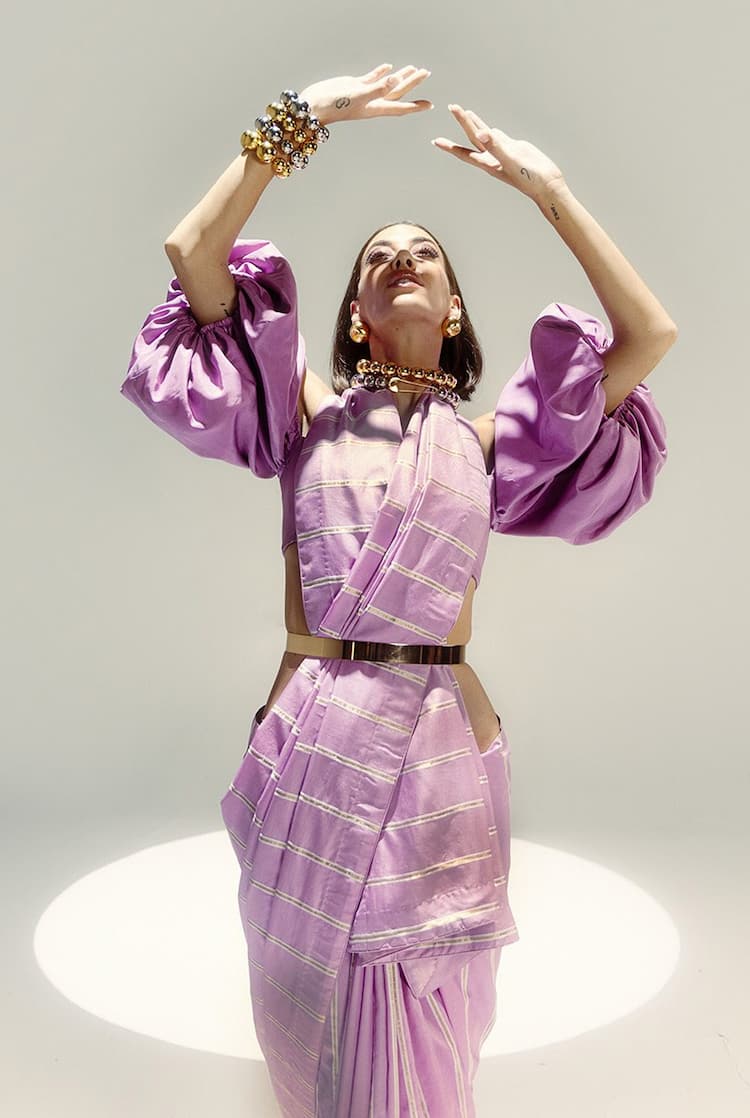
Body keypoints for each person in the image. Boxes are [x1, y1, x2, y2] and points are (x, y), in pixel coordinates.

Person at [120, 63, 676, 1118]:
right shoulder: (301, 411)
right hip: (311, 740)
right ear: (355, 316)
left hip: (440, 753)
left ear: (453, 306)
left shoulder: (493, 444)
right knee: (317, 1011)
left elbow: (648, 336)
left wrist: (549, 191)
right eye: (377, 257)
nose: (401, 259)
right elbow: (193, 254)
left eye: (423, 252)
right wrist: (304, 117)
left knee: (422, 1005)